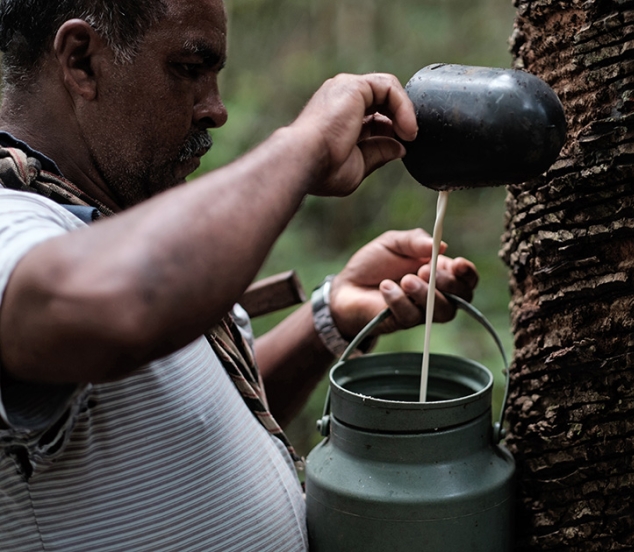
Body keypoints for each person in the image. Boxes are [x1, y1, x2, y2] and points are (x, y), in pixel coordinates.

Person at [0, 0, 478, 550]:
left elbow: (200, 422)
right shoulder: (18, 217)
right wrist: (303, 147)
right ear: (81, 62)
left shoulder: (117, 224)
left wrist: (330, 319)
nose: (215, 109)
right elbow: (120, 309)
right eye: (188, 69)